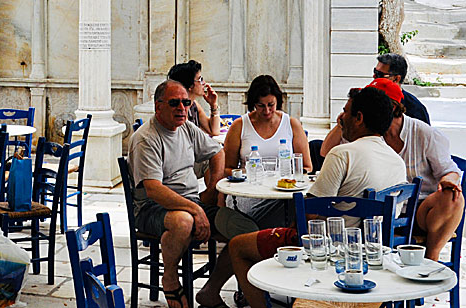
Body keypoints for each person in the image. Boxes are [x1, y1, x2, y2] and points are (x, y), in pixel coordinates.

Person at [226, 86, 407, 308]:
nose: (341, 118)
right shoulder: (398, 162)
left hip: (329, 250)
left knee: (237, 246)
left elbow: (310, 214)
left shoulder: (343, 154)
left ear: (359, 118)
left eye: (345, 112)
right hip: (373, 252)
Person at [195, 75, 311, 308]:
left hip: (279, 198)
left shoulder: (291, 124)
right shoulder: (241, 125)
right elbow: (226, 167)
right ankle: (251, 289)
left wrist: (283, 175)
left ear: (278, 101)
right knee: (252, 234)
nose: (267, 111)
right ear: (252, 104)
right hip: (246, 198)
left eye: (271, 105)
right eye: (261, 106)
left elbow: (307, 166)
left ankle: (252, 289)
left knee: (278, 231)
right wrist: (246, 172)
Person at [322, 78, 463, 260]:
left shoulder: (425, 134)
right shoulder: (367, 131)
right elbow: (325, 151)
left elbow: (451, 170)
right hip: (379, 210)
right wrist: (343, 122)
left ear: (393, 107)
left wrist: (448, 181)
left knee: (453, 198)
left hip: (421, 211)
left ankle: (430, 259)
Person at [128, 79, 225, 308]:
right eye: (174, 103)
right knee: (183, 222)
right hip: (151, 208)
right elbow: (153, 189)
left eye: (185, 103)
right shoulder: (146, 138)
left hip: (190, 202)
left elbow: (218, 152)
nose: (182, 108)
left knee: (243, 229)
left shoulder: (187, 128)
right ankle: (170, 277)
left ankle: (214, 290)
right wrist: (196, 209)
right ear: (158, 106)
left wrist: (213, 189)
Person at [167, 61, 220, 136]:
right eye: (200, 79)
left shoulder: (194, 105)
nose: (204, 83)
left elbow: (214, 131)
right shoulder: (175, 110)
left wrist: (213, 105)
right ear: (190, 86)